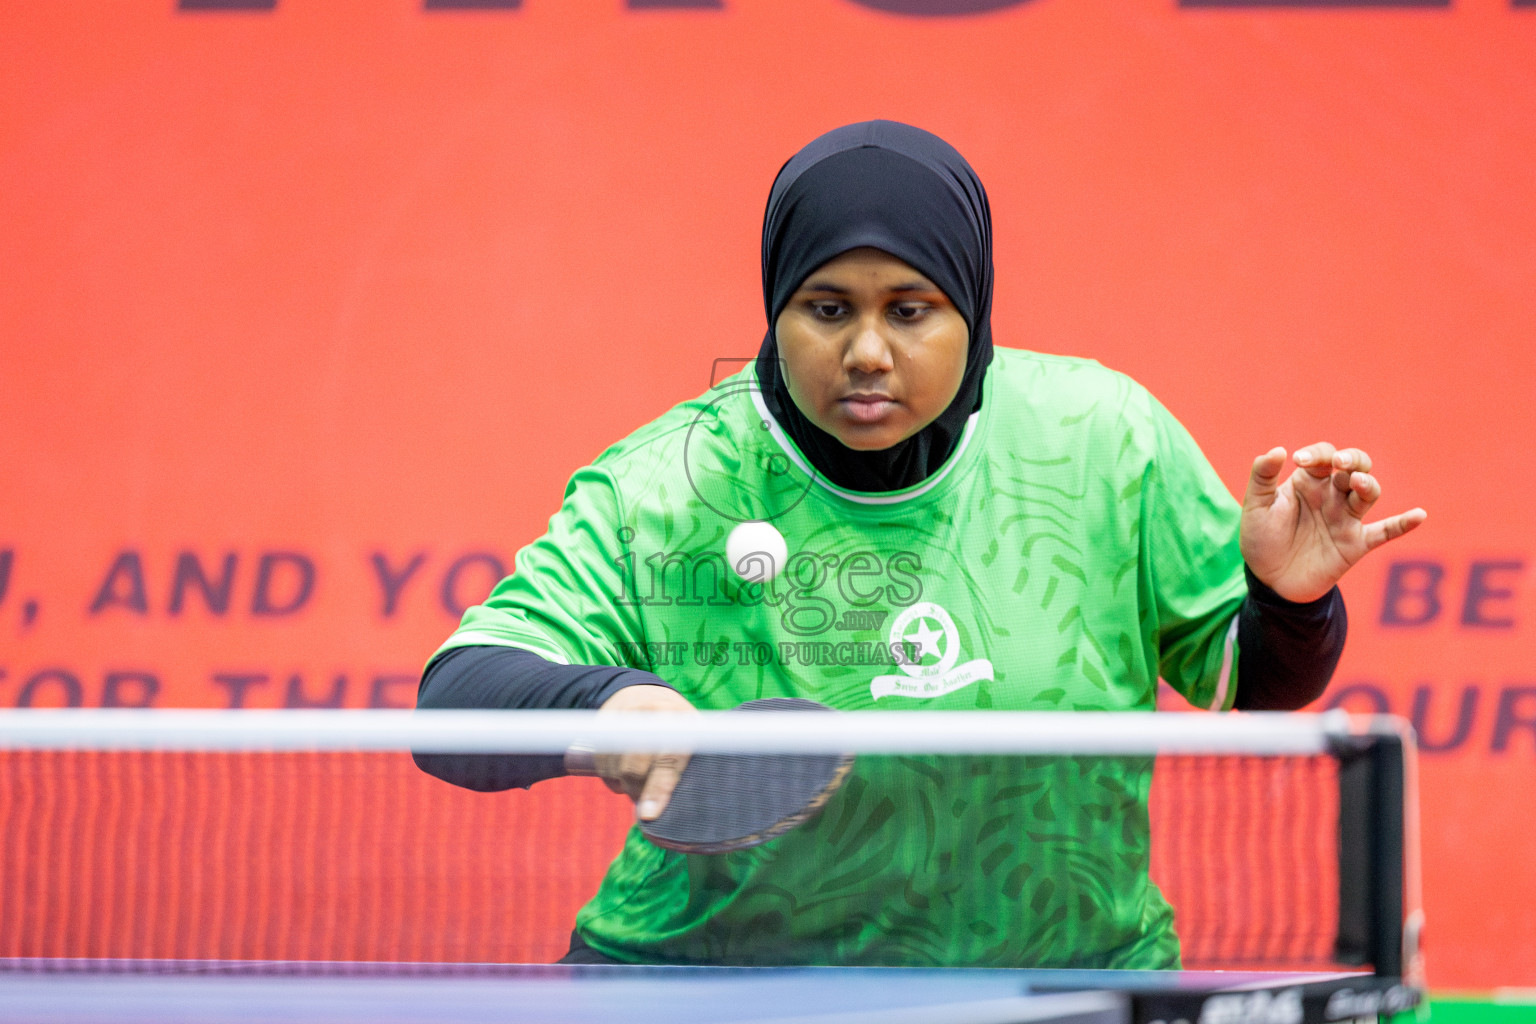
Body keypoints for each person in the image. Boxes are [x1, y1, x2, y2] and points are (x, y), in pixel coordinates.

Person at [414, 121, 1425, 969]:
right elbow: (454, 698)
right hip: (716, 985)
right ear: (775, 307)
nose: (865, 350)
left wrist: (1290, 602)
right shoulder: (671, 483)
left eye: (909, 311)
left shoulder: (1103, 438)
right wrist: (609, 709)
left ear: (971, 308)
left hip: (1061, 982)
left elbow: (1248, 680)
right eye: (826, 309)